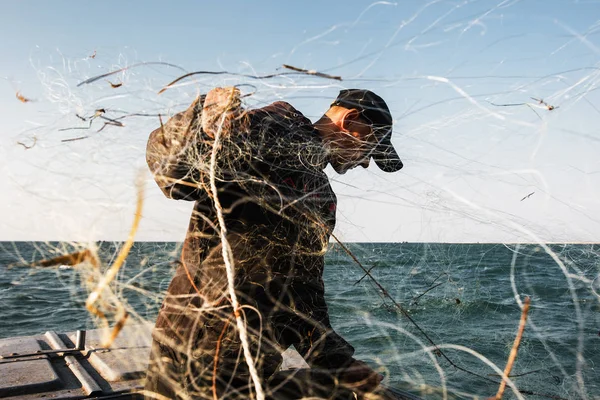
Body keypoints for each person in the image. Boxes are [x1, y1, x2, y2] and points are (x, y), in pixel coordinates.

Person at [144, 87, 403, 400]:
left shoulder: (321, 195)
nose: (365, 164)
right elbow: (174, 177)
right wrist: (203, 118)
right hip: (193, 350)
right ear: (350, 119)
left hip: (251, 361)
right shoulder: (269, 125)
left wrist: (334, 361)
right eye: (370, 146)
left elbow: (302, 291)